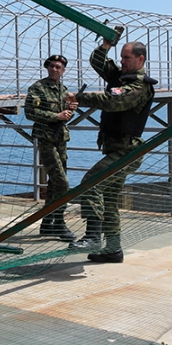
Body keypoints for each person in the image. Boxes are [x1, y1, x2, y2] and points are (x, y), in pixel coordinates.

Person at [67, 40, 157, 263]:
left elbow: (113, 101)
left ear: (140, 59)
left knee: (91, 183)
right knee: (108, 198)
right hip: (116, 149)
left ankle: (93, 237)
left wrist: (79, 97)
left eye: (126, 58)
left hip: (127, 152)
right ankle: (113, 249)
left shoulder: (140, 87)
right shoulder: (120, 76)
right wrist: (106, 44)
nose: (122, 61)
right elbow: (97, 62)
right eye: (121, 57)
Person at [24, 54, 77, 241]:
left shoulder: (63, 90)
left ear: (63, 70)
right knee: (62, 183)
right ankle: (59, 223)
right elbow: (30, 112)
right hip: (46, 139)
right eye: (52, 66)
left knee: (54, 184)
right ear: (47, 68)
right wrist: (56, 116)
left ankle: (47, 223)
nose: (55, 69)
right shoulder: (38, 88)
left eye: (58, 67)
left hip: (60, 139)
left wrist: (71, 109)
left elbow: (65, 113)